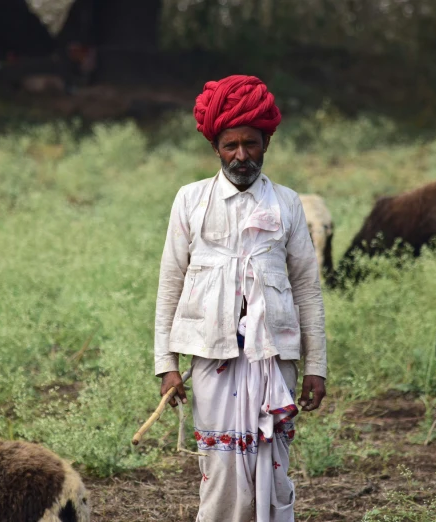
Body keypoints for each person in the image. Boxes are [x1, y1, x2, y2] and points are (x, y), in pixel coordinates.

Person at [154, 74, 327, 522]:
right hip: (212, 358)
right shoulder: (190, 200)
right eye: (231, 145)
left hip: (276, 358)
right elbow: (170, 281)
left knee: (275, 475)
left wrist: (316, 367)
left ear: (266, 142)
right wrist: (166, 365)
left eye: (251, 143)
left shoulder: (288, 204)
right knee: (222, 473)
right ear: (216, 146)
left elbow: (307, 286)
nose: (241, 155)